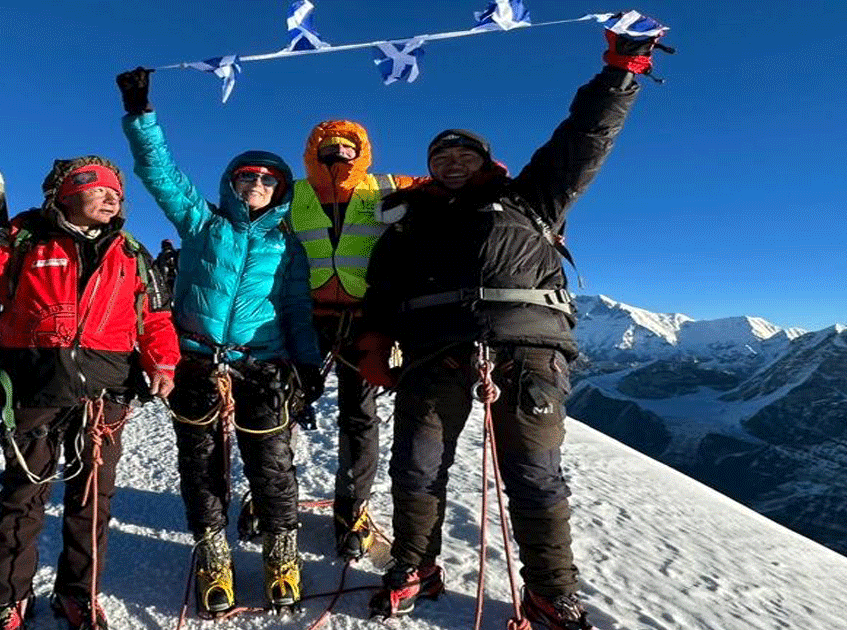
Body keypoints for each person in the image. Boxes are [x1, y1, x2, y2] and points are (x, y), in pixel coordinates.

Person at [357, 16, 667, 630]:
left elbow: (584, 138)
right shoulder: (408, 222)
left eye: (463, 154)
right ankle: (414, 565)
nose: (451, 162)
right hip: (432, 347)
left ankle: (552, 591)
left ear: (485, 160)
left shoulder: (533, 195)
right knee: (416, 464)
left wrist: (620, 74)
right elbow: (382, 290)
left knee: (532, 471)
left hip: (526, 347)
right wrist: (373, 342)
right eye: (440, 156)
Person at [0, 157, 180, 630]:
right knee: (23, 499)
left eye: (116, 191)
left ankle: (79, 595)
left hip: (107, 396)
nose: (111, 195)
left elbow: (156, 319)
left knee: (92, 502)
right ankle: (10, 601)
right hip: (34, 392)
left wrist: (162, 361)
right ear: (64, 194)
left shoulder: (133, 254)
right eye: (96, 187)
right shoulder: (23, 239)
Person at [115, 67, 324, 614]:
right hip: (196, 362)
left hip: (264, 363)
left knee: (272, 464)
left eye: (267, 180)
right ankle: (212, 553)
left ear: (280, 191)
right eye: (245, 178)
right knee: (200, 463)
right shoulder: (202, 225)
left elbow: (297, 310)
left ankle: (282, 554)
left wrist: (307, 366)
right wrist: (141, 114)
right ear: (231, 183)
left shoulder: (288, 248)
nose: (255, 186)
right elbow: (158, 171)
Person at [285, 120, 421, 560]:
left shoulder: (387, 185)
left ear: (360, 150)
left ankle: (353, 506)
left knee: (359, 416)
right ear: (314, 152)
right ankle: (273, 495)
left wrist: (491, 177)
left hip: (365, 322)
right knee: (281, 407)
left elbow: (448, 182)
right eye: (329, 148)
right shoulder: (294, 192)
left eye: (346, 147)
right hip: (305, 318)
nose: (338, 154)